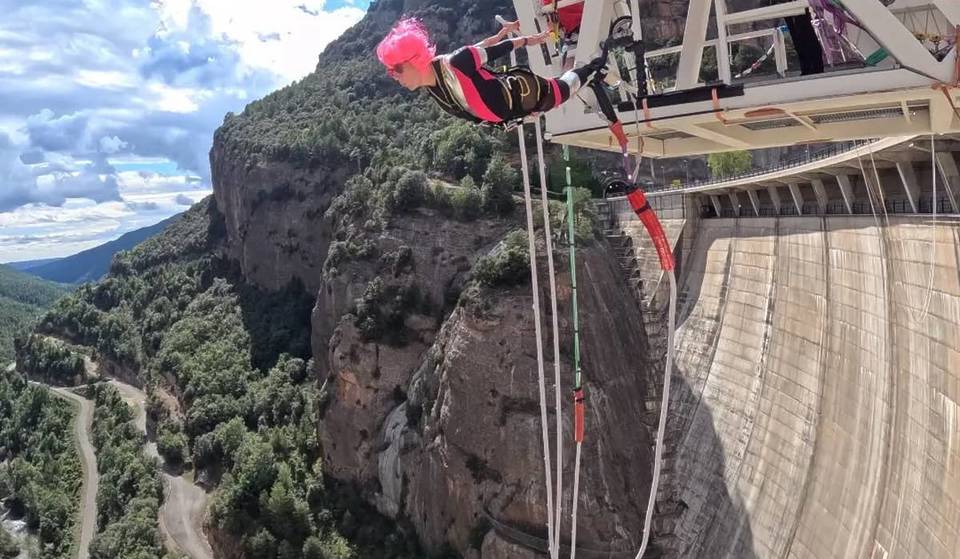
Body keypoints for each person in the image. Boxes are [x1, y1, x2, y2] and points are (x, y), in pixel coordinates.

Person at [376, 17, 611, 129]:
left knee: (563, 90)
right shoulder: (433, 88)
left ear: (415, 60)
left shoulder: (456, 63)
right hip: (516, 110)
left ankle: (593, 66)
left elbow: (497, 49)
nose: (395, 76)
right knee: (564, 88)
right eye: (390, 72)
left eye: (396, 69)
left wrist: (534, 39)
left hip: (524, 92)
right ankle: (577, 54)